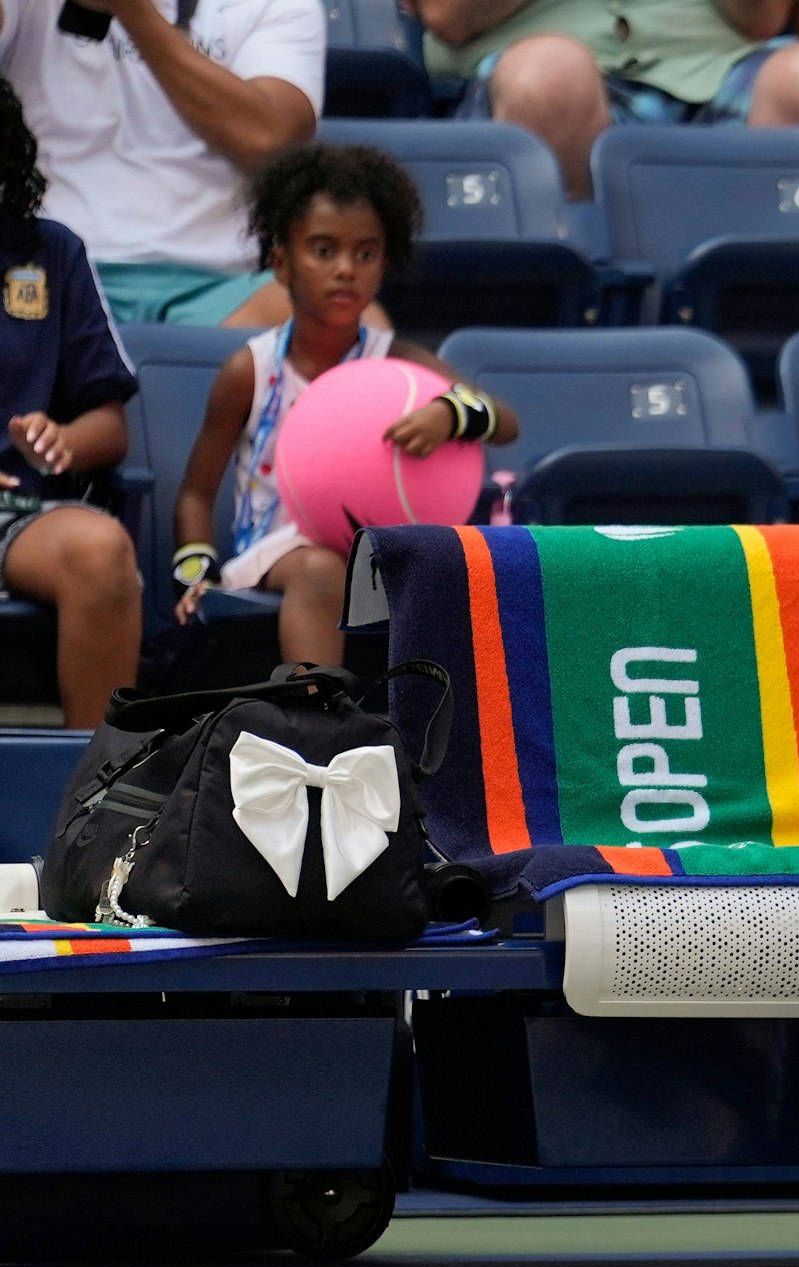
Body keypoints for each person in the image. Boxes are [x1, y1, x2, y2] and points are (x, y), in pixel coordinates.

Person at [174, 143, 520, 667]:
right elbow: (196, 493)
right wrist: (196, 569)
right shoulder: (251, 370)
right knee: (322, 570)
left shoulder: (400, 364)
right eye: (323, 249)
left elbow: (506, 423)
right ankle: (319, 723)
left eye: (365, 253)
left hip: (382, 554)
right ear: (282, 263)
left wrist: (450, 413)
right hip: (275, 553)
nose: (345, 270)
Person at [0, 0, 331, 328]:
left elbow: (273, 147)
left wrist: (134, 11)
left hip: (220, 284)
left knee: (355, 333)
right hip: (47, 264)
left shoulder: (277, 5)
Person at [0, 76, 142, 729]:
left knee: (101, 549)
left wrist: (61, 439)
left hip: (24, 511)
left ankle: (96, 810)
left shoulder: (50, 253)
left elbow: (108, 425)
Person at [421, 0, 799, 201]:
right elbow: (449, 15)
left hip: (714, 61)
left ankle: (778, 316)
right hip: (538, 62)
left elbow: (762, 17)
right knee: (549, 77)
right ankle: (575, 320)